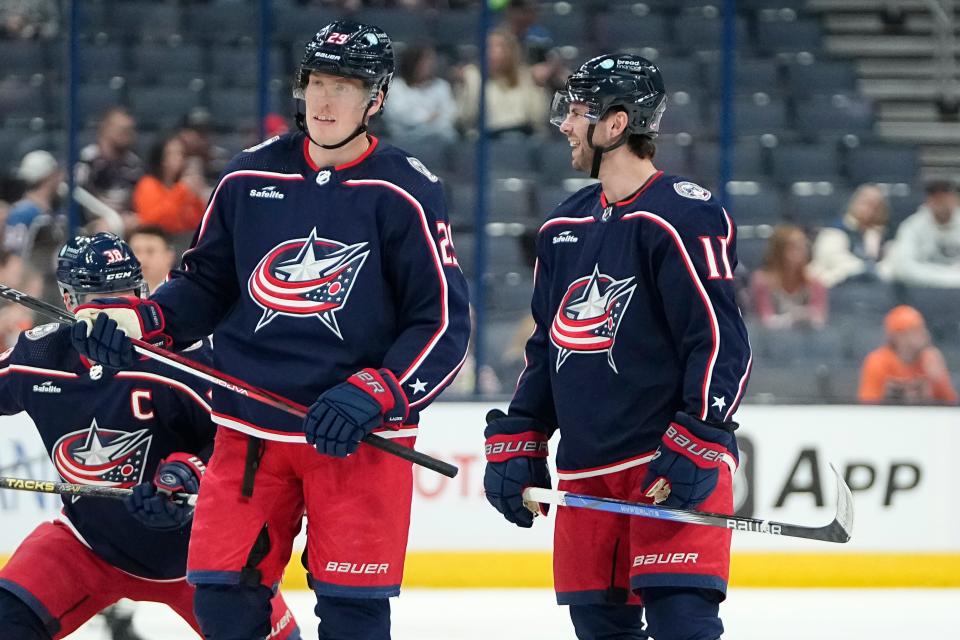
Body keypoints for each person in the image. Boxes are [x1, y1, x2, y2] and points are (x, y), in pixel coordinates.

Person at [70, 20, 471, 640]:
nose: (326, 100)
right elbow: (204, 286)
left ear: (377, 99)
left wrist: (378, 392)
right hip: (249, 431)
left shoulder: (406, 190)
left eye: (346, 85)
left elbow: (443, 322)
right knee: (223, 605)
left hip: (355, 437)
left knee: (353, 616)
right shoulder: (248, 177)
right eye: (317, 82)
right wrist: (141, 319)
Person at [482, 54, 752, 640]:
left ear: (615, 124)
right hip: (586, 473)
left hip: (665, 462)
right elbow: (547, 350)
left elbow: (719, 341)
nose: (564, 125)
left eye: (576, 112)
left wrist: (701, 436)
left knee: (684, 626)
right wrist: (522, 431)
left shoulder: (682, 215)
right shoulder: (561, 227)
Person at [0, 233, 300, 640]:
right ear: (69, 301)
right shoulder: (39, 356)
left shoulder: (184, 357)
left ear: (142, 293)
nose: (112, 311)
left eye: (123, 295)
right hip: (88, 545)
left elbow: (248, 438)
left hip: (204, 549)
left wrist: (189, 474)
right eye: (96, 298)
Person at [455, 27, 548, 138]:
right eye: (489, 47)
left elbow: (537, 119)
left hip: (521, 135)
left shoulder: (525, 76)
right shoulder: (473, 75)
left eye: (499, 47)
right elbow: (466, 118)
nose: (492, 52)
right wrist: (466, 86)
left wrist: (538, 87)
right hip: (486, 137)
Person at [858, 305, 957, 405]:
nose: (924, 334)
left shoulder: (931, 359)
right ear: (898, 337)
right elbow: (868, 404)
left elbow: (950, 404)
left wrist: (937, 379)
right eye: (915, 330)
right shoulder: (878, 361)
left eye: (922, 328)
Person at [810, 183, 892, 287]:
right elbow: (835, 262)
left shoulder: (880, 236)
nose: (870, 209)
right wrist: (866, 268)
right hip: (836, 286)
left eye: (875, 206)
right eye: (865, 202)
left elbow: (889, 267)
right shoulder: (833, 231)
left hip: (871, 287)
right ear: (854, 202)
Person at [131, 133, 209, 242]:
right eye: (173, 154)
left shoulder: (182, 187)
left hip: (182, 242)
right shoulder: (148, 184)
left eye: (181, 153)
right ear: (161, 158)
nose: (179, 158)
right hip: (155, 242)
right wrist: (181, 190)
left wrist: (197, 197)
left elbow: (198, 223)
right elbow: (153, 223)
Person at [750, 224, 828, 330]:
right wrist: (792, 318)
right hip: (772, 340)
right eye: (793, 248)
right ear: (778, 252)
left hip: (808, 340)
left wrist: (805, 316)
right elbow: (764, 320)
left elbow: (820, 319)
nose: (800, 253)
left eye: (803, 247)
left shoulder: (815, 281)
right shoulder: (762, 281)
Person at [74, 107, 143, 225]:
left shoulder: (135, 164)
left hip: (126, 221)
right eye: (122, 129)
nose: (128, 134)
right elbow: (77, 198)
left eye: (130, 130)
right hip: (91, 223)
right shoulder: (87, 160)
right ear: (105, 129)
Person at [889, 179, 960, 288]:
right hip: (923, 290)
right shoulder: (912, 226)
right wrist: (948, 277)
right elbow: (903, 267)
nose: (941, 201)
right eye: (935, 197)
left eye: (946, 196)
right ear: (928, 201)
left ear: (956, 200)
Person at [383, 43, 458, 143]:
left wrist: (429, 121)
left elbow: (449, 114)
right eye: (424, 62)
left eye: (431, 62)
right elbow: (398, 115)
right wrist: (427, 117)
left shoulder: (441, 86)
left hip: (438, 140)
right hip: (404, 141)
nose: (428, 66)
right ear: (412, 62)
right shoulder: (396, 87)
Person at [5, 150, 63, 257]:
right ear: (49, 177)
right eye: (56, 174)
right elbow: (14, 255)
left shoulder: (57, 207)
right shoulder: (21, 213)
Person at [127, 225, 177, 294]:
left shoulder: (182, 292)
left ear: (169, 256)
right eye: (136, 251)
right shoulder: (116, 295)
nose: (141, 259)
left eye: (150, 251)